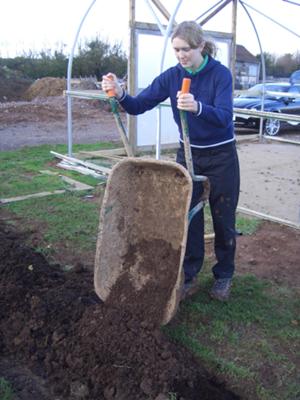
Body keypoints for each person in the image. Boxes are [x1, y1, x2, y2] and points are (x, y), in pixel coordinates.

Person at [102, 21, 240, 302]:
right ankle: (188, 275)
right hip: (188, 154)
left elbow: (225, 116)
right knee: (189, 219)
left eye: (186, 50)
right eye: (176, 50)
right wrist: (120, 93)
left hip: (221, 156)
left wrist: (198, 107)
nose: (181, 56)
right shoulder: (172, 76)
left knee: (223, 218)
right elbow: (140, 105)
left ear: (200, 46)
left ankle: (224, 275)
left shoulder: (220, 75)